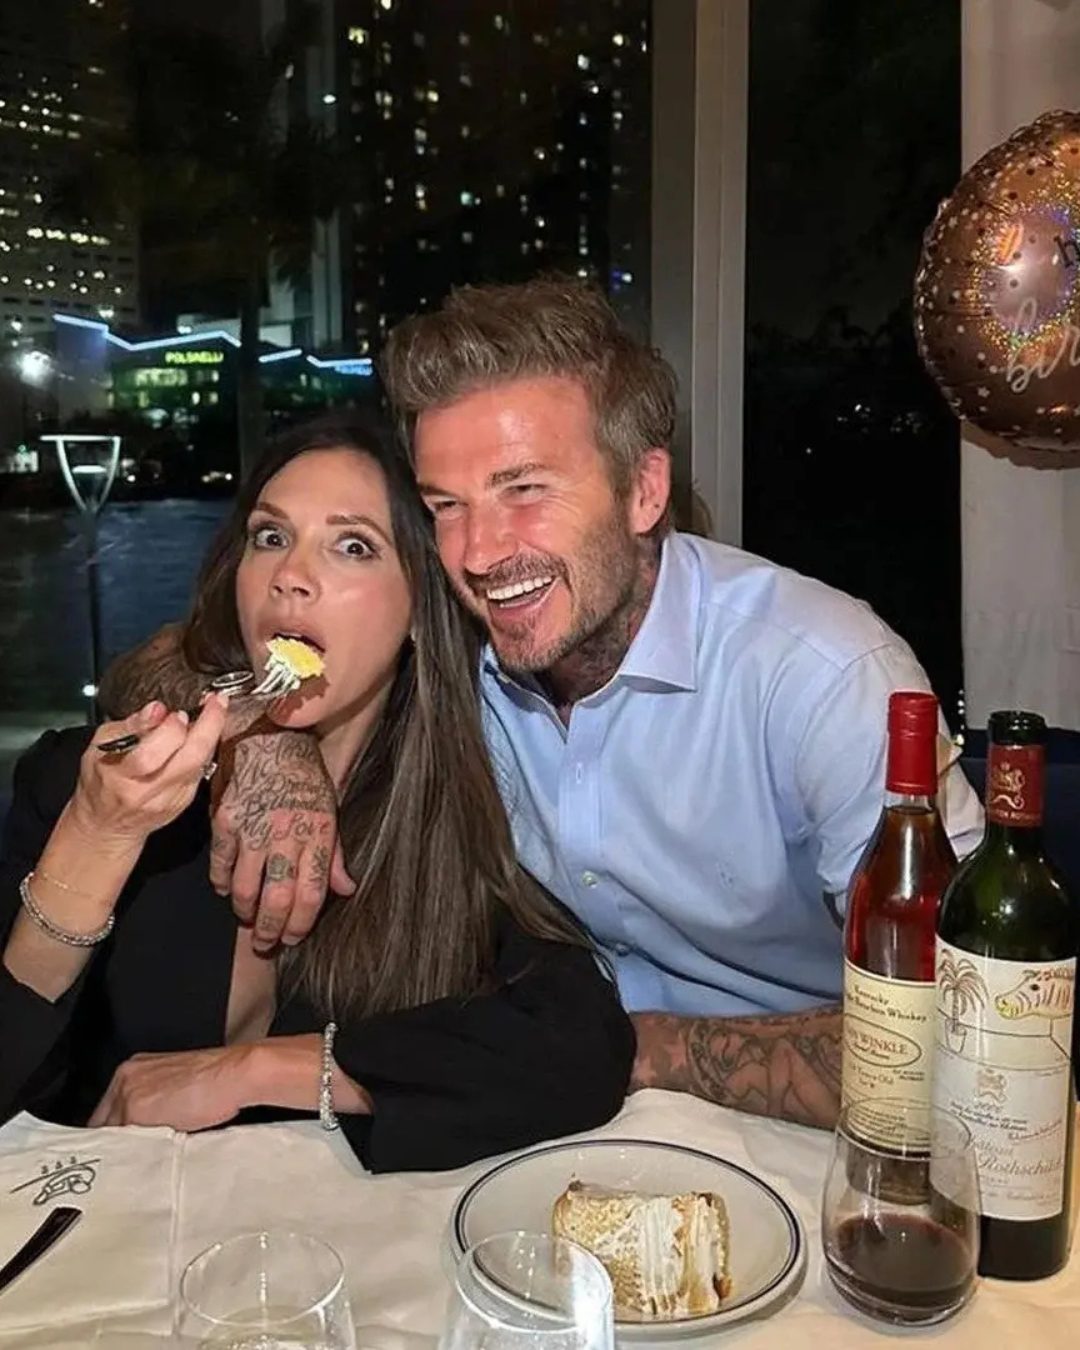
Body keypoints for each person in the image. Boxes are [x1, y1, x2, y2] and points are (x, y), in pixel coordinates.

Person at [103, 278, 984, 1131]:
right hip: (554, 1107)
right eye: (447, 506)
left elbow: (970, 1035)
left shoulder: (826, 679)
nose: (481, 552)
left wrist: (634, 1051)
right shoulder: (457, 641)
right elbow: (173, 663)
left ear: (644, 490)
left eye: (525, 490)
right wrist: (271, 740)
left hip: (830, 1125)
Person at [0, 414, 634, 1172]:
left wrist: (269, 1069)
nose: (289, 575)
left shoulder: (452, 813)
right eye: (270, 536)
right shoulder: (96, 779)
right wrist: (98, 835)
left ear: (416, 609)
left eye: (353, 546)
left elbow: (581, 1044)